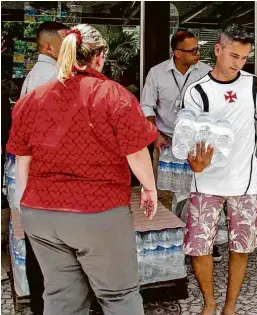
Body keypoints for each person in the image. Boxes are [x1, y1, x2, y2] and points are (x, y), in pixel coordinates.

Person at [7, 24, 158, 315]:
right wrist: (149, 188)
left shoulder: (33, 99)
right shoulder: (112, 95)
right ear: (99, 56)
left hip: (41, 214)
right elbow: (136, 152)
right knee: (119, 297)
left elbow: (22, 160)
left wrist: (27, 205)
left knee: (61, 299)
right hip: (98, 212)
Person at [182, 24, 257, 315]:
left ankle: (230, 306)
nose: (237, 63)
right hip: (205, 183)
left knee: (240, 247)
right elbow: (188, 138)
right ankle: (209, 303)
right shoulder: (197, 91)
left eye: (243, 57)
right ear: (217, 50)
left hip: (245, 183)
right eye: (233, 55)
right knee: (199, 247)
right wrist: (195, 163)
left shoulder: (254, 85)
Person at [140, 30, 226, 261]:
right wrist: (155, 135)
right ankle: (171, 239)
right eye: (193, 50)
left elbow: (217, 106)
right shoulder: (157, 73)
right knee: (165, 193)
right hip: (166, 141)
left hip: (197, 144)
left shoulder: (207, 72)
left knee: (200, 192)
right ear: (177, 53)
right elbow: (146, 107)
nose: (198, 53)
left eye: (198, 48)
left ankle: (207, 240)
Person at [9, 21, 68, 315]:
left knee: (40, 244)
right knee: (48, 247)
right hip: (47, 176)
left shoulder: (41, 74)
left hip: (37, 176)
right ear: (48, 47)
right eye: (65, 41)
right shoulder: (50, 76)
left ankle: (41, 304)